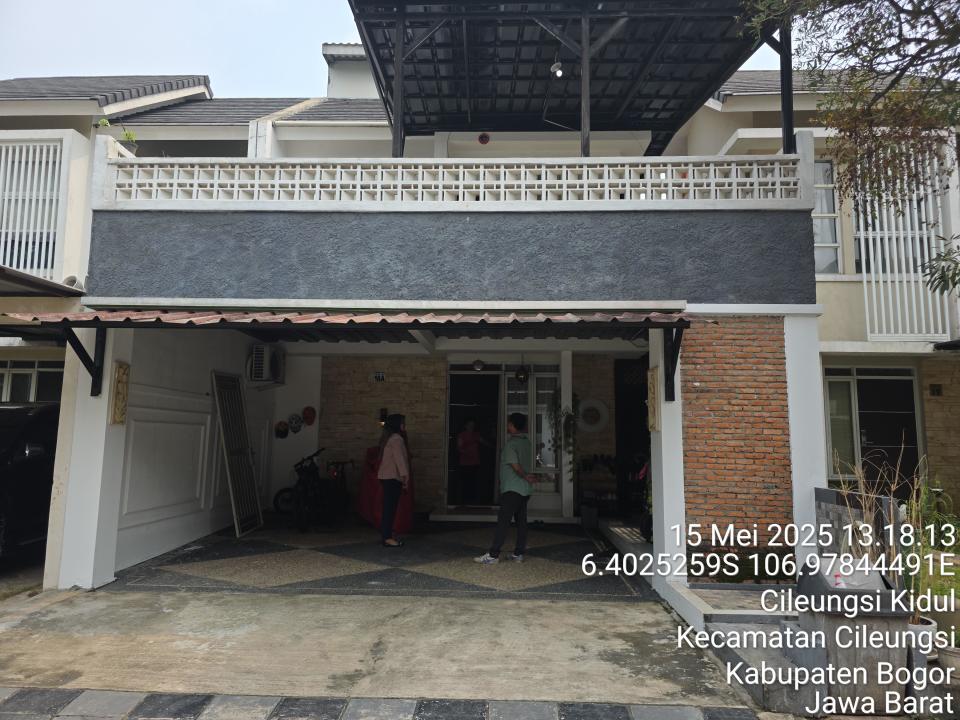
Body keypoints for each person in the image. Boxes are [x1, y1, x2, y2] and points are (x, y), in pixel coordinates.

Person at [475, 412, 534, 564]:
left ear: (513, 425)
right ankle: (518, 554)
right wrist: (527, 478)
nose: (507, 426)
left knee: (503, 522)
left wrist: (525, 476)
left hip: (512, 489)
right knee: (521, 522)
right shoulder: (527, 443)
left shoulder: (511, 444)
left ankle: (493, 555)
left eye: (509, 423)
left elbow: (516, 466)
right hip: (525, 490)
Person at [377, 413, 409, 547]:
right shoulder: (397, 439)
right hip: (392, 477)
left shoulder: (390, 438)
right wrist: (405, 477)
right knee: (390, 508)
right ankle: (387, 537)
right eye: (402, 422)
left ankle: (387, 535)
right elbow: (400, 460)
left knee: (388, 508)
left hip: (387, 477)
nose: (404, 425)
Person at [456, 418, 483, 504]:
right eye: (470, 425)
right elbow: (459, 448)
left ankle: (473, 500)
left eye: (473, 425)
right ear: (465, 426)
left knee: (474, 482)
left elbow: (483, 442)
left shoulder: (476, 434)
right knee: (465, 482)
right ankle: (464, 501)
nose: (472, 426)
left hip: (475, 462)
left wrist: (495, 447)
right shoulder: (462, 435)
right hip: (465, 463)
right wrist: (467, 453)